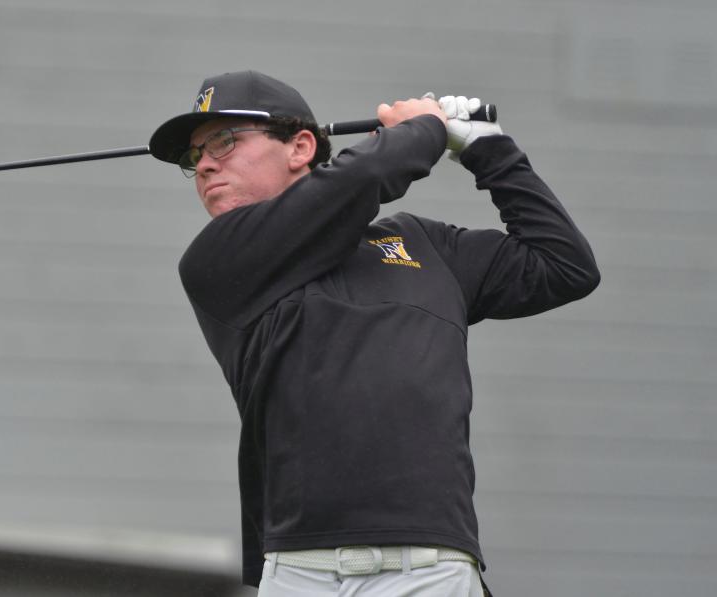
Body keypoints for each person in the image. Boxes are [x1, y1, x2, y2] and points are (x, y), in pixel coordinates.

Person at [148, 70, 599, 597]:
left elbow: (564, 264)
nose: (203, 164)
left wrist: (488, 149)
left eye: (223, 141)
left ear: (299, 147)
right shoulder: (219, 259)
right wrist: (425, 128)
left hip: (427, 569)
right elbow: (358, 180)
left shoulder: (424, 245)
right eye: (193, 156)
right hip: (298, 572)